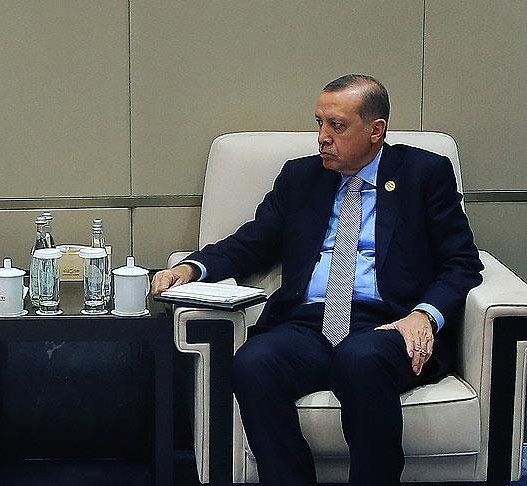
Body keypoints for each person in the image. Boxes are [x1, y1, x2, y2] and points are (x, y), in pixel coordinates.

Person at [152, 74, 483, 485]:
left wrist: (425, 315)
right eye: (320, 123)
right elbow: (251, 243)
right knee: (254, 363)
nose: (323, 137)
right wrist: (190, 268)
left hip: (388, 323)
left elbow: (462, 262)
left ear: (376, 130)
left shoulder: (424, 173)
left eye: (337, 126)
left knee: (359, 360)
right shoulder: (300, 177)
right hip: (309, 322)